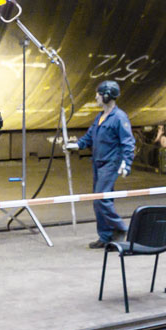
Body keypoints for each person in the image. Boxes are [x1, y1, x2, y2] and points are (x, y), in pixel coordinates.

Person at [67, 80, 135, 249]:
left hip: (110, 164)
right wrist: (77, 145)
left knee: (100, 200)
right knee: (99, 200)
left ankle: (120, 228)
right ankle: (105, 236)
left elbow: (128, 142)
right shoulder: (100, 117)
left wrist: (126, 163)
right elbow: (90, 136)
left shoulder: (119, 117)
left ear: (106, 96)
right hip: (98, 163)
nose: (96, 97)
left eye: (98, 94)